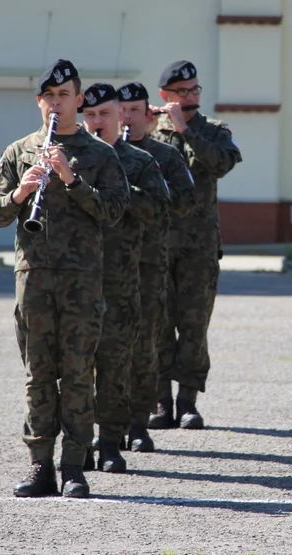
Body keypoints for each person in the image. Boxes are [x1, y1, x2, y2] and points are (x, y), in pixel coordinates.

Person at [0, 59, 130, 498]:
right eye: (48, 96)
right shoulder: (19, 151)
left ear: (79, 100)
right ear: (39, 102)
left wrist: (71, 178)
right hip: (34, 279)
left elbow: (114, 211)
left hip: (82, 282)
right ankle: (40, 465)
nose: (55, 103)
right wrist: (21, 192)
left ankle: (74, 467)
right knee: (39, 374)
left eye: (64, 95)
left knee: (79, 373)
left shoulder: (101, 155)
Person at [79, 83, 169, 471]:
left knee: (117, 363)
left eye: (106, 115)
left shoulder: (140, 161)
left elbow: (160, 209)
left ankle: (112, 441)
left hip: (122, 279)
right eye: (92, 115)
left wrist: (121, 189)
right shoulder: (70, 158)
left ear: (121, 116)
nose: (98, 122)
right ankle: (79, 442)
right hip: (78, 278)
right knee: (76, 367)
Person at [149, 60, 242, 429]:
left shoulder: (213, 131)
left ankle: (188, 400)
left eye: (194, 90)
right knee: (157, 323)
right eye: (182, 91)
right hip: (156, 245)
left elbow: (220, 163)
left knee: (194, 324)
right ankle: (160, 401)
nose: (190, 96)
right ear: (164, 96)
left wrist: (185, 129)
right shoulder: (149, 133)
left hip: (199, 246)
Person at [117, 81, 196, 451]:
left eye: (134, 111)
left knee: (145, 345)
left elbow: (182, 201)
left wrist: (147, 189)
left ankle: (138, 421)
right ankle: (105, 425)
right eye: (122, 110)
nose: (127, 118)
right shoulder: (99, 154)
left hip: (148, 264)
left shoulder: (163, 156)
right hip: (103, 266)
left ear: (149, 116)